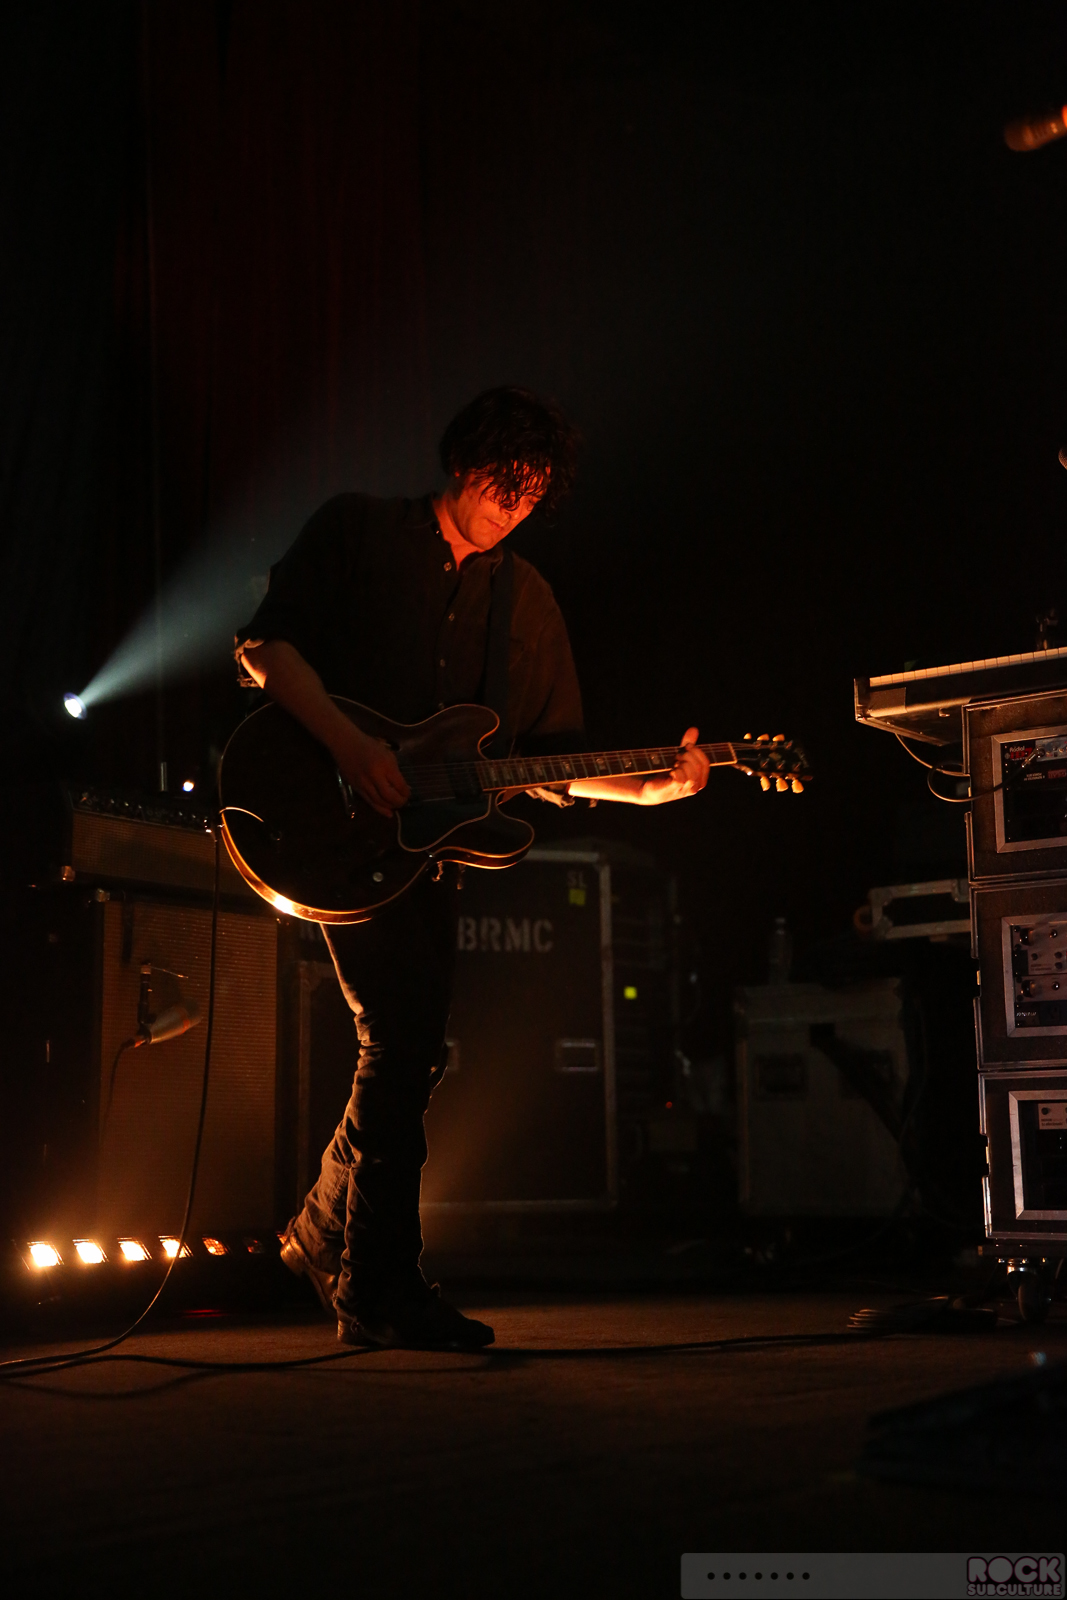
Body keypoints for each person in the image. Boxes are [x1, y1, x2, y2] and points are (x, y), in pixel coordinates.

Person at [236, 387, 709, 1350]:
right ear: (463, 462)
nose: (514, 505)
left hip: (426, 854)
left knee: (407, 1046)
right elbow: (264, 646)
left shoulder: (524, 602)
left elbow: (545, 764)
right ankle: (376, 1286)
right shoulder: (359, 531)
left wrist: (649, 789)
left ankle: (320, 1236)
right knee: (400, 1038)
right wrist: (350, 748)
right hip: (325, 816)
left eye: (532, 493)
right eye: (504, 482)